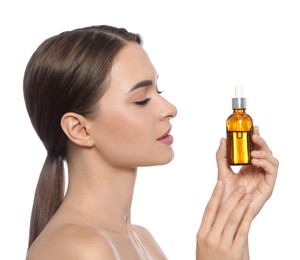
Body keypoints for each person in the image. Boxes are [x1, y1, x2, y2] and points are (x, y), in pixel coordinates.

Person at [23, 25, 278, 260]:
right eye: (142, 99)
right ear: (79, 129)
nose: (170, 109)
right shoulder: (77, 249)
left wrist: (236, 214)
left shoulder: (142, 240)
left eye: (159, 91)